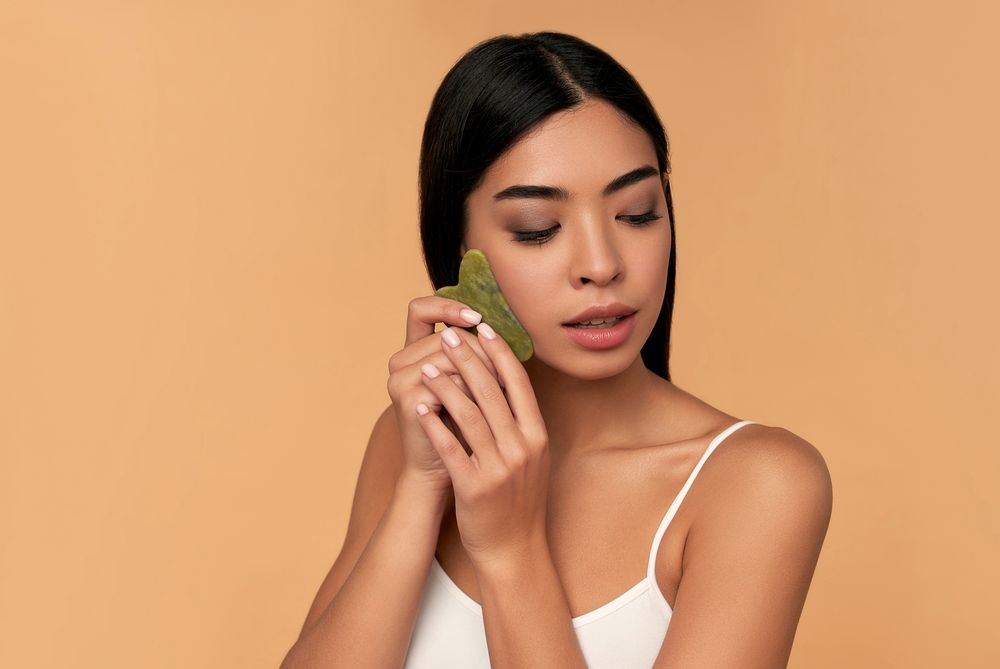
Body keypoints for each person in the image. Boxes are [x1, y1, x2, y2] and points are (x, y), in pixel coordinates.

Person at [280, 31, 833, 669]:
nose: (601, 264)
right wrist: (420, 488)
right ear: (461, 247)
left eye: (637, 214)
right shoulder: (419, 442)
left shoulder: (757, 485)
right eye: (538, 229)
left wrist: (510, 552)